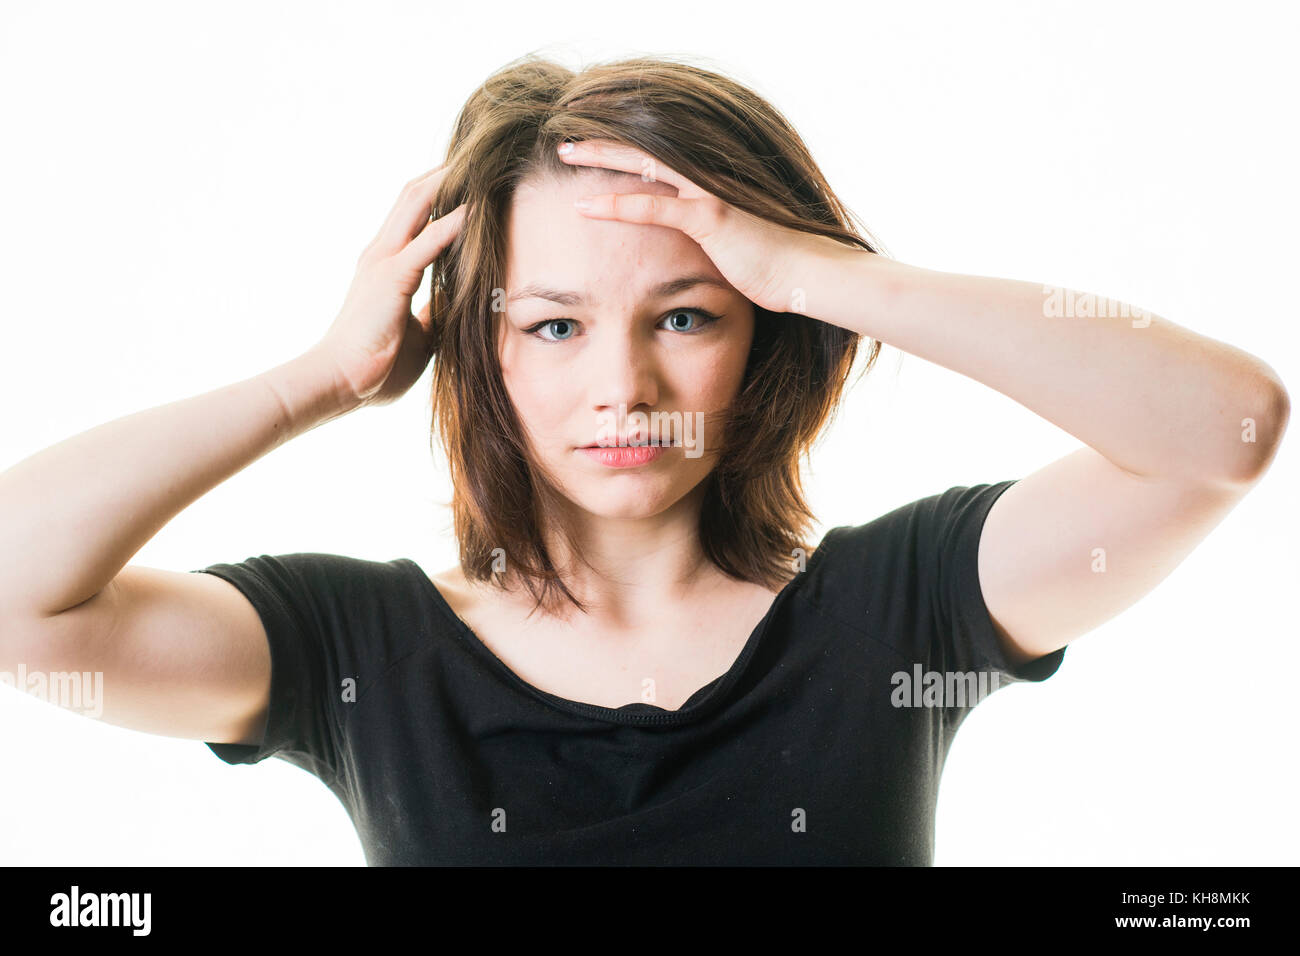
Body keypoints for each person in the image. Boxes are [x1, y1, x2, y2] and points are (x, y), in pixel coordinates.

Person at [0, 54, 1287, 866]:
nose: (624, 385)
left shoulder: (898, 611)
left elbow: (1226, 429)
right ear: (480, 348)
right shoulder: (358, 650)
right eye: (554, 323)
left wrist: (821, 271)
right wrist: (318, 379)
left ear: (760, 334)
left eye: (685, 313)